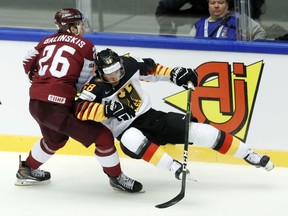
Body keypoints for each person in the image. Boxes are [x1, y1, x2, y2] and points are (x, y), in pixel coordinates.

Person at [74, 48, 274, 181]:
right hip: (127, 130)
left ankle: (248, 154)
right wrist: (106, 110)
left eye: (117, 71)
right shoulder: (94, 87)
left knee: (198, 131)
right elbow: (80, 110)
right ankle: (174, 168)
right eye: (109, 74)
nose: (115, 77)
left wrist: (175, 74)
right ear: (100, 72)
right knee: (131, 139)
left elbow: (154, 70)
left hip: (152, 117)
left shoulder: (129, 64)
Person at [16, 8, 143, 193]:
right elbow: (83, 83)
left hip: (35, 101)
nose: (83, 28)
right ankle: (116, 177)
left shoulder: (45, 42)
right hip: (56, 106)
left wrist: (39, 80)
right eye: (81, 24)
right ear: (73, 28)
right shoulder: (86, 46)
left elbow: (27, 60)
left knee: (55, 139)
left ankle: (26, 169)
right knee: (103, 137)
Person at [189, 0, 267, 40]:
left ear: (227, 5)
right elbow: (189, 44)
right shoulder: (199, 24)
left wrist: (250, 46)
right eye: (212, 3)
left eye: (220, 2)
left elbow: (260, 33)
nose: (216, 6)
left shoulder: (239, 19)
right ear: (208, 6)